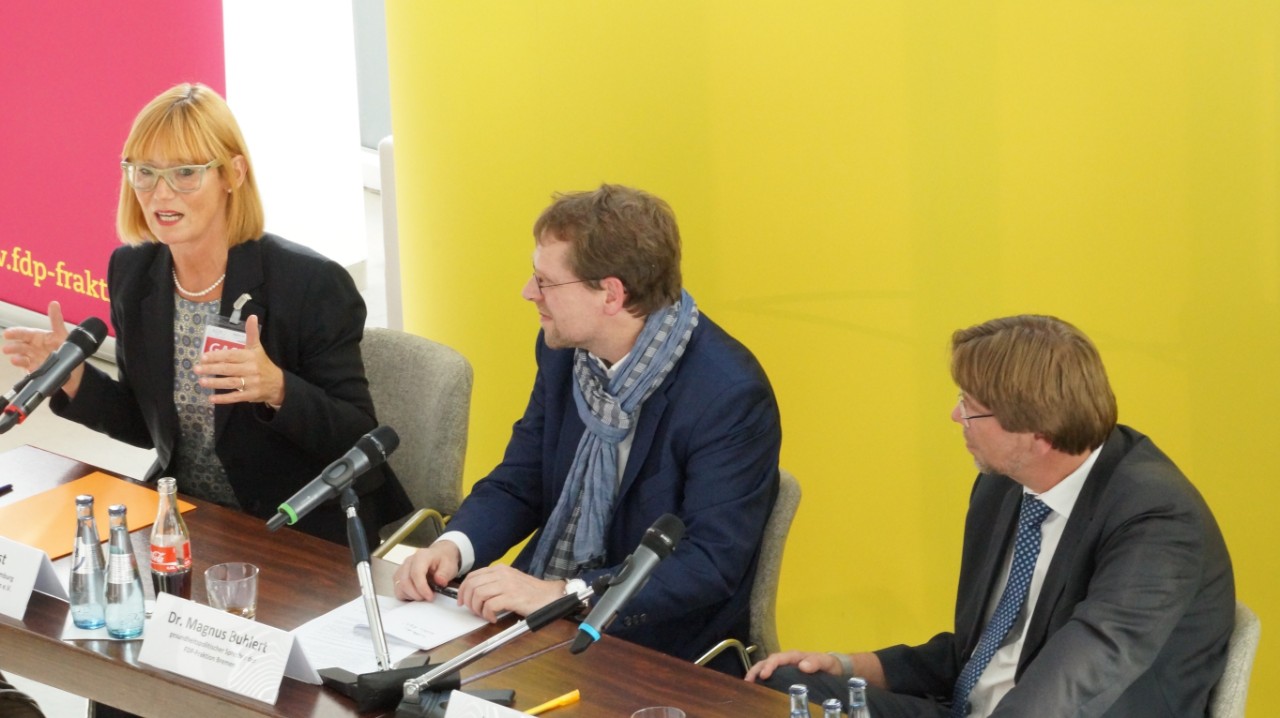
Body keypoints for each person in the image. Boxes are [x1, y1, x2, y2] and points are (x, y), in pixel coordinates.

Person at [747, 315, 1235, 717]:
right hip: (975, 707)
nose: (955, 417)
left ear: (1038, 434)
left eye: (971, 407)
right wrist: (845, 665)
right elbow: (979, 652)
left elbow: (1081, 675)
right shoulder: (1004, 484)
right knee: (785, 687)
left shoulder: (1158, 521)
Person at [393, 184, 782, 674]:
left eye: (545, 282)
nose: (528, 293)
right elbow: (523, 477)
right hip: (545, 619)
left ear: (611, 294)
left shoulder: (727, 396)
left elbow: (708, 563)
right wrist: (454, 545)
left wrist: (565, 595)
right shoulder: (564, 354)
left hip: (659, 647)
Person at [1, 83, 411, 546]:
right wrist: (72, 378)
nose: (161, 193)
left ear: (232, 174)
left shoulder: (310, 284)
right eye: (145, 173)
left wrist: (278, 388)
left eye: (186, 173)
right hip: (190, 515)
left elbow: (360, 438)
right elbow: (149, 425)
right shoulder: (135, 272)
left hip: (300, 526)